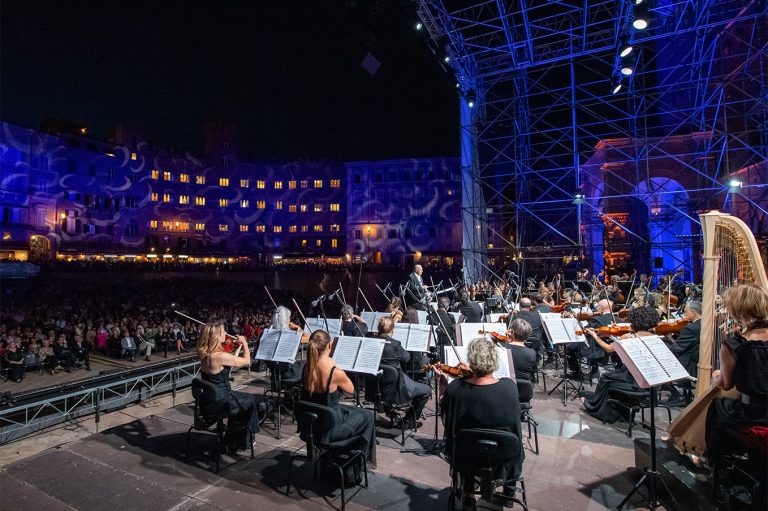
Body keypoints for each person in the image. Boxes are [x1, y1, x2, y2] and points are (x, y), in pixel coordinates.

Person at [439, 338, 523, 506]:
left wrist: (443, 387)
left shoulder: (455, 388)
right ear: (494, 360)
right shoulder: (510, 387)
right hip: (504, 459)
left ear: (471, 360)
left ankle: (468, 492)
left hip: (466, 458)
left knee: (467, 444)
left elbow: (447, 420)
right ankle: (508, 495)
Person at [704, 284, 768, 470]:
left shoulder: (734, 345)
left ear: (738, 310)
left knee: (718, 407)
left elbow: (725, 385)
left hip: (756, 414)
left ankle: (718, 463)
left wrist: (717, 375)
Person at [302, 329, 376, 466]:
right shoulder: (334, 372)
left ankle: (341, 456)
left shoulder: (307, 367)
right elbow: (351, 390)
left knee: (356, 412)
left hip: (312, 426)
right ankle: (355, 464)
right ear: (329, 345)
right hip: (331, 428)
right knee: (368, 416)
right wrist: (337, 366)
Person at [580, 306, 661, 423]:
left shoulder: (629, 336)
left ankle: (596, 408)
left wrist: (595, 336)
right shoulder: (655, 336)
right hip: (649, 378)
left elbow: (609, 348)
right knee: (613, 375)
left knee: (605, 378)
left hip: (632, 378)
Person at [197, 322, 262, 452]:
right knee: (251, 400)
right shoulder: (220, 356)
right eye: (223, 332)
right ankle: (244, 440)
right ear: (216, 336)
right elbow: (247, 361)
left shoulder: (205, 354)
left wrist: (237, 349)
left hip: (208, 401)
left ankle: (234, 438)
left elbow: (229, 363)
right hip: (222, 401)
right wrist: (244, 343)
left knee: (243, 400)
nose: (226, 333)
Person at [377, 317, 431, 428]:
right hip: (397, 386)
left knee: (386, 379)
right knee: (426, 390)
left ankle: (391, 413)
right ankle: (408, 421)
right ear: (392, 330)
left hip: (375, 387)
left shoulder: (371, 341)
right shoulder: (395, 344)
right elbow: (406, 358)